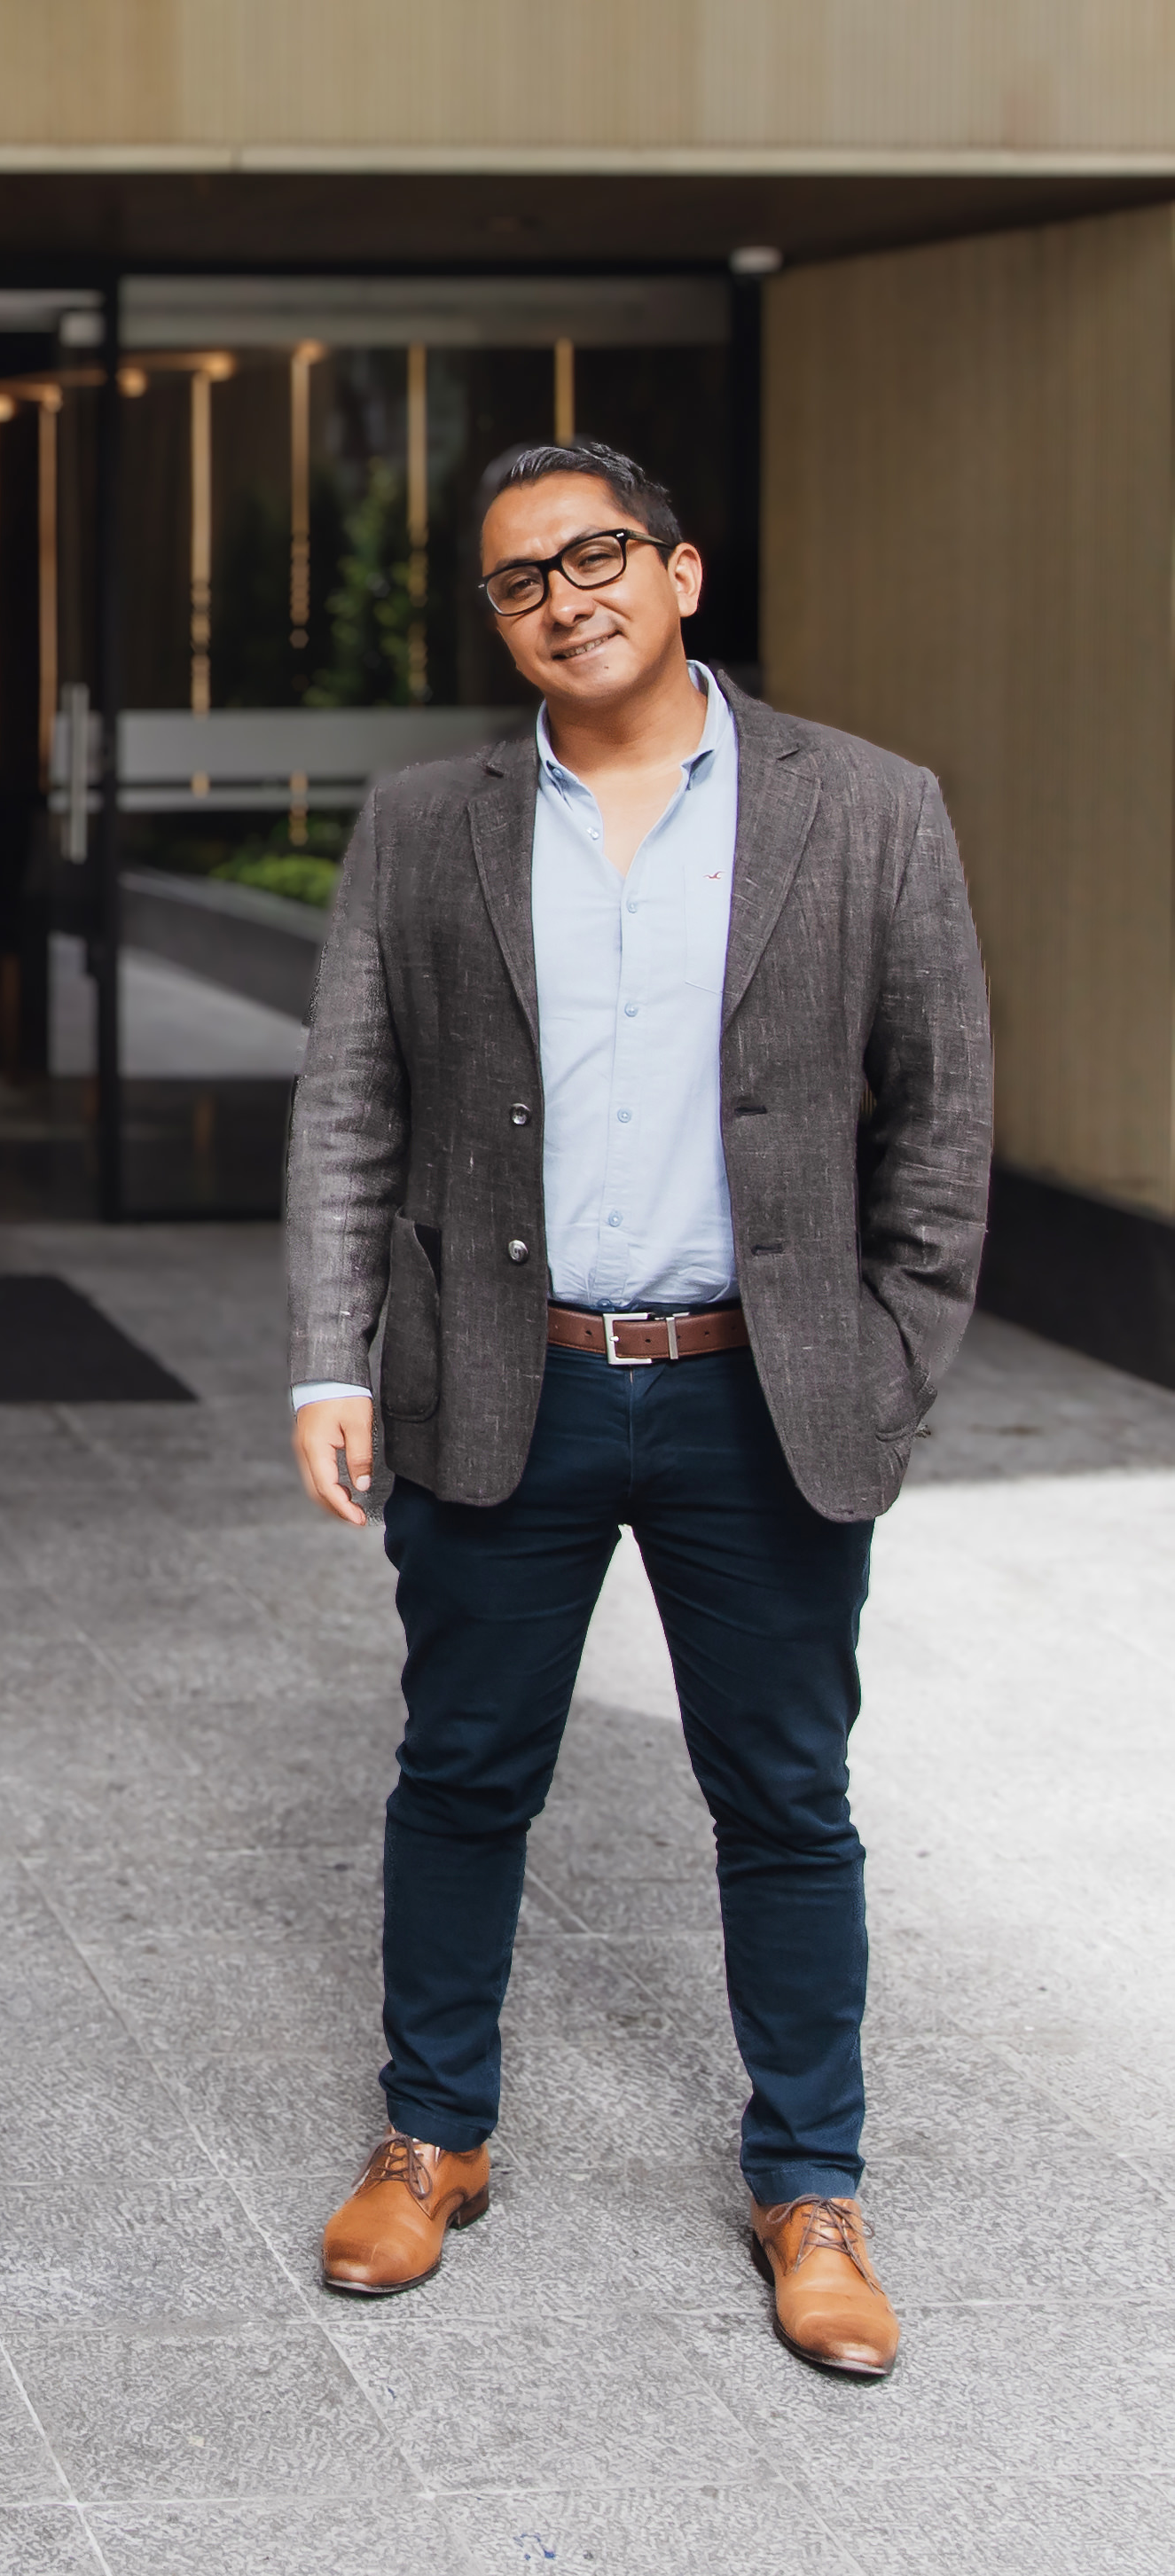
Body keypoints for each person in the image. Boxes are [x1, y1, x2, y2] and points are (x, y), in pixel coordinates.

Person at [284, 440, 991, 2376]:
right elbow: (352, 1103)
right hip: (499, 1384)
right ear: (498, 622)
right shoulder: (425, 823)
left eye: (596, 555)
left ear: (678, 572)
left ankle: (811, 2182)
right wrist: (332, 1357)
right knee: (460, 1774)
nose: (562, 596)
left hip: (756, 1399)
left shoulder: (868, 808)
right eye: (518, 579)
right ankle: (434, 2138)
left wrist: (890, 1362)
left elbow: (935, 1124)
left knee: (783, 1800)